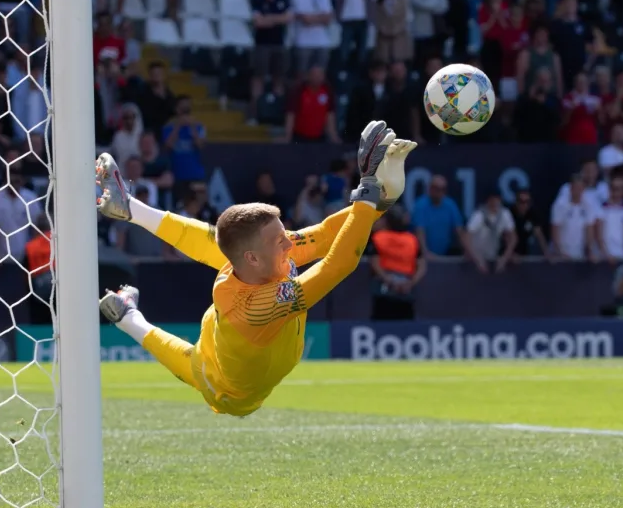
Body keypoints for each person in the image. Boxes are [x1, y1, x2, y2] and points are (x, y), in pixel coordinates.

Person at [96, 121, 416, 417]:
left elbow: (324, 236)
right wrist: (367, 194)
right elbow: (338, 265)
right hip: (231, 391)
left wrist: (381, 200)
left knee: (218, 243)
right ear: (254, 258)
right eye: (280, 241)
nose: (290, 244)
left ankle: (129, 208)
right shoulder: (259, 306)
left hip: (231, 316)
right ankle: (127, 318)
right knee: (193, 364)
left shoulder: (262, 256)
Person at [370, 206, 426, 320]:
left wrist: (388, 279)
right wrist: (410, 283)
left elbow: (374, 263)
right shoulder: (412, 239)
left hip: (390, 286)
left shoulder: (378, 237)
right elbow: (422, 266)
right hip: (398, 287)